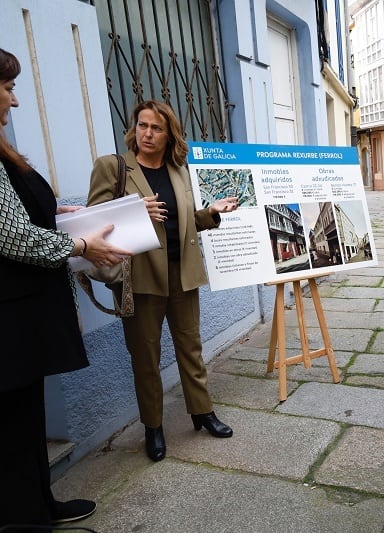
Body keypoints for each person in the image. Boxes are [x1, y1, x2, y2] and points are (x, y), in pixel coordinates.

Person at [0, 47, 131, 528]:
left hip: (24, 310)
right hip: (9, 315)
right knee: (12, 421)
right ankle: (22, 518)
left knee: (27, 414)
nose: (14, 102)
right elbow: (11, 237)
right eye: (8, 88)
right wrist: (80, 245)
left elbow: (17, 219)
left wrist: (59, 217)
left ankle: (39, 504)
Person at [87, 100, 239, 462]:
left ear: (169, 132)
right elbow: (95, 224)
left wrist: (211, 214)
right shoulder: (114, 167)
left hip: (181, 272)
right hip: (139, 277)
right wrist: (134, 211)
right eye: (142, 126)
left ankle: (202, 412)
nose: (147, 134)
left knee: (191, 347)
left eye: (156, 128)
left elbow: (181, 221)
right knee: (145, 357)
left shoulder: (178, 169)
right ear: (134, 128)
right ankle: (153, 427)